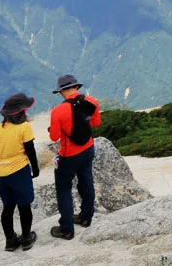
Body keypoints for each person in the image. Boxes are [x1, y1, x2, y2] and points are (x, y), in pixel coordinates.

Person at [48, 74, 101, 240]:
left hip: (68, 155)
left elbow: (54, 137)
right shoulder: (91, 102)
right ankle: (86, 217)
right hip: (88, 149)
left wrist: (53, 128)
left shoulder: (58, 111)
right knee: (86, 182)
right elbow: (95, 123)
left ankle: (66, 229)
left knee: (64, 189)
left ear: (62, 91)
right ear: (76, 87)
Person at [0, 92, 40, 252]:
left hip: (1, 174)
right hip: (19, 171)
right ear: (21, 111)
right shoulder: (24, 127)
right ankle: (26, 238)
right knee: (24, 206)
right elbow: (30, 150)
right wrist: (35, 168)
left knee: (8, 207)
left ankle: (10, 241)